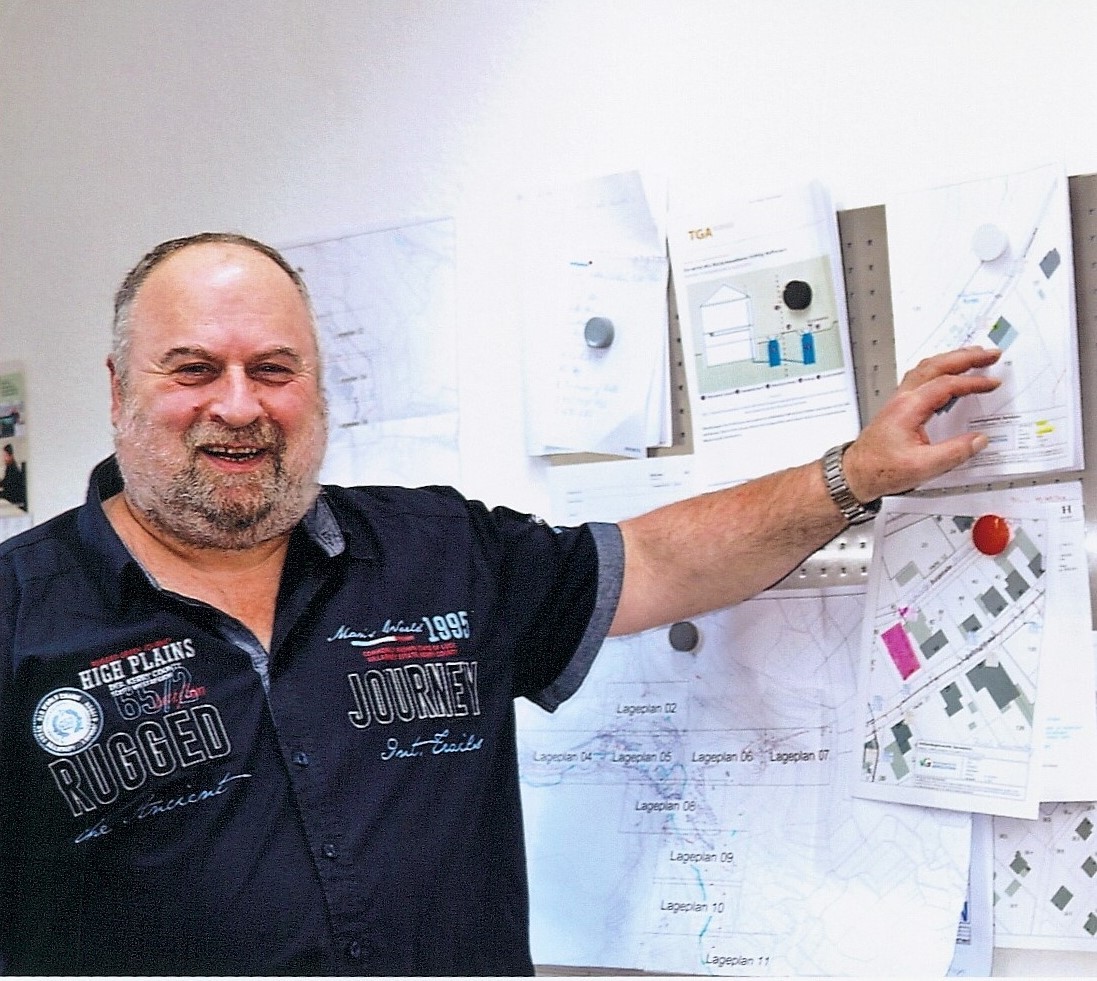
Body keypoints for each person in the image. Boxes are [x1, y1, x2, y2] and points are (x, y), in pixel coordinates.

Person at [0, 232, 1001, 976]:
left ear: (315, 387)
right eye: (193, 369)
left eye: (273, 369)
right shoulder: (17, 614)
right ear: (119, 387)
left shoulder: (439, 552)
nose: (238, 404)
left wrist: (853, 473)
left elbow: (659, 561)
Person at [0, 443, 25, 510]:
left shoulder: (12, 468)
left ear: (10, 455)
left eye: (5, 455)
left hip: (13, 497)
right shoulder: (10, 466)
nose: (4, 458)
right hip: (10, 494)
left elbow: (8, 485)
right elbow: (5, 482)